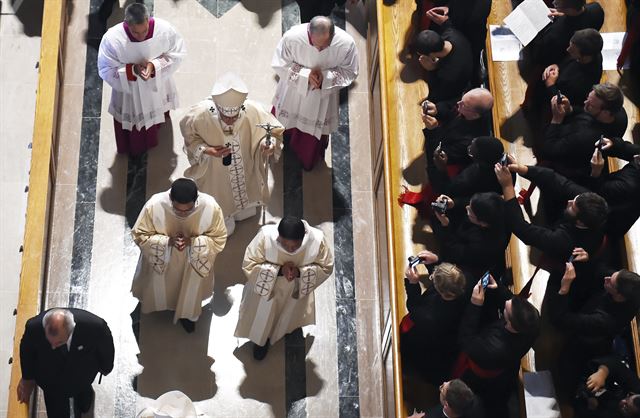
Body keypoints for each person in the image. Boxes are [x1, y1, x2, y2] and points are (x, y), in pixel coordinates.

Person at [181, 72, 284, 235]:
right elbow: (190, 139)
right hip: (216, 169)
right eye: (225, 117)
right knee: (221, 194)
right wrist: (207, 150)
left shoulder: (252, 110)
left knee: (245, 190)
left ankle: (242, 210)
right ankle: (223, 215)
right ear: (217, 107)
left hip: (245, 162)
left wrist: (267, 144)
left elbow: (273, 130)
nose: (230, 121)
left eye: (235, 116)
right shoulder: (199, 115)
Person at [131, 178, 227, 333]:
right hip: (162, 259)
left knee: (189, 292)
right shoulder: (155, 204)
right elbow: (140, 234)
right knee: (161, 289)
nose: (182, 214)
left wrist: (193, 242)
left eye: (187, 211)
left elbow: (219, 238)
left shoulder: (210, 207)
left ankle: (187, 315)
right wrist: (167, 241)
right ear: (170, 199)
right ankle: (162, 304)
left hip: (193, 261)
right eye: (177, 210)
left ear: (196, 200)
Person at [234, 216, 334, 360]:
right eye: (285, 245)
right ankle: (262, 342)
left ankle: (288, 330)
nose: (290, 250)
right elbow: (249, 263)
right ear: (278, 235)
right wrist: (280, 271)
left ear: (304, 236)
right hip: (267, 291)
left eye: (295, 246)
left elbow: (326, 266)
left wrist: (300, 272)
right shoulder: (265, 236)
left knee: (291, 317)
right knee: (264, 320)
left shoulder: (317, 240)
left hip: (297, 289)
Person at [272, 16, 359, 170]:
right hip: (294, 91)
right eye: (315, 45)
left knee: (311, 133)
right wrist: (305, 75)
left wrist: (325, 78)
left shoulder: (346, 44)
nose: (319, 50)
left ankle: (307, 156)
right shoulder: (292, 37)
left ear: (332, 35)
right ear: (309, 34)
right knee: (285, 119)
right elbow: (280, 63)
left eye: (325, 46)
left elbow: (350, 71)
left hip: (323, 94)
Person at [97, 3, 186, 155]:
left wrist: (154, 65)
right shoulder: (112, 39)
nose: (141, 36)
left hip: (156, 83)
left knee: (156, 106)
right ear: (126, 24)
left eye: (144, 30)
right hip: (129, 90)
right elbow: (106, 69)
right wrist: (132, 70)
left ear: (148, 19)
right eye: (135, 33)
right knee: (134, 120)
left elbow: (177, 53)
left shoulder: (164, 30)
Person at [454, 276, 540, 418]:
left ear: (510, 324)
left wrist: (475, 305)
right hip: (508, 365)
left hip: (486, 375)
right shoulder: (532, 322)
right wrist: (498, 288)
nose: (506, 301)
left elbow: (465, 340)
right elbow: (512, 302)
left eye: (506, 309)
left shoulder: (493, 348)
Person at [548, 265, 640, 392]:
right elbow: (600, 271)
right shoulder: (626, 286)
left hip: (581, 340)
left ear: (619, 296)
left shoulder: (605, 321)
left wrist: (564, 288)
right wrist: (587, 260)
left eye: (610, 282)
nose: (606, 278)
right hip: (587, 306)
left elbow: (560, 320)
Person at [17, 308, 115, 417]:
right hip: (51, 381)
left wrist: (106, 367)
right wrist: (27, 378)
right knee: (56, 408)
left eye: (59, 342)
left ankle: (84, 403)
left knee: (84, 395)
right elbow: (26, 351)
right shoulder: (33, 327)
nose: (53, 346)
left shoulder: (95, 327)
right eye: (50, 342)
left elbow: (106, 347)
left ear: (71, 330)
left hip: (82, 376)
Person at [400, 252, 468, 385]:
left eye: (432, 278)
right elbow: (448, 279)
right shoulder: (463, 286)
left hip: (431, 347)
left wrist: (413, 283)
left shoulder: (430, 316)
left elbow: (414, 308)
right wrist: (436, 261)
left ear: (441, 291)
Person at [542, 83, 628, 183]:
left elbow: (548, 151)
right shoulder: (620, 114)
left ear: (605, 112)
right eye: (587, 98)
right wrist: (570, 109)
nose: (585, 102)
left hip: (568, 166)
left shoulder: (585, 136)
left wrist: (556, 119)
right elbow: (585, 113)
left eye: (590, 104)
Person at [431, 192, 510, 278]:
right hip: (467, 235)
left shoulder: (483, 245)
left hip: (473, 264)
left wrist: (445, 225)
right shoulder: (493, 207)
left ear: (483, 223)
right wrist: (453, 204)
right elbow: (470, 205)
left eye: (470, 211)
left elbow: (453, 252)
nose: (466, 207)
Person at [422, 88, 493, 167]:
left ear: (475, 115)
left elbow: (438, 156)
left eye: (464, 105)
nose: (458, 103)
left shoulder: (470, 142)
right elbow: (449, 106)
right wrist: (437, 109)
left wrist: (433, 130)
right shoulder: (466, 103)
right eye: (462, 98)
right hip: (437, 133)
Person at [540, 28, 603, 106]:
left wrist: (550, 85)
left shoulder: (581, 83)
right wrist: (557, 65)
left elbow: (564, 103)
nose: (568, 50)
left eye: (572, 50)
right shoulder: (593, 52)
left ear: (585, 57)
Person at [414, 28, 472, 103]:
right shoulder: (452, 33)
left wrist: (431, 70)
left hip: (457, 91)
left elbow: (437, 95)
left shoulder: (448, 74)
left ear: (431, 54)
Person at [574, 354, 640, 418]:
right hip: (587, 384)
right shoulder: (637, 389)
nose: (622, 401)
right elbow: (618, 366)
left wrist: (592, 410)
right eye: (628, 397)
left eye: (626, 408)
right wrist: (603, 373)